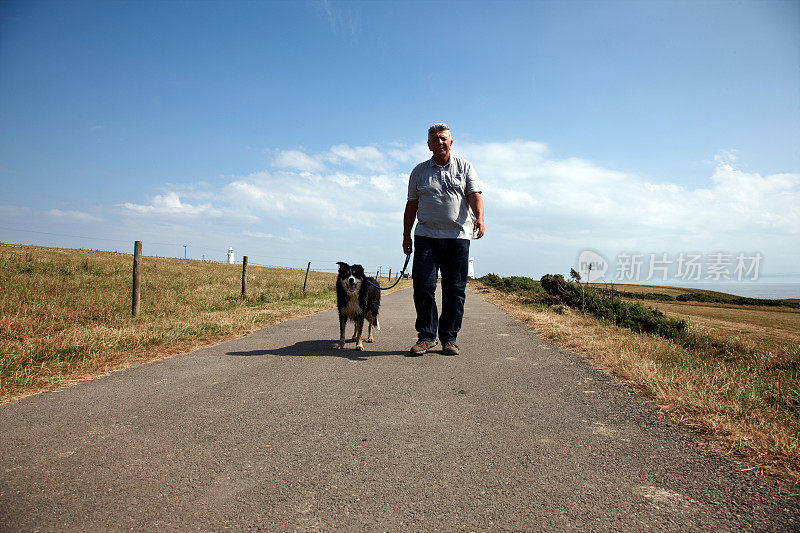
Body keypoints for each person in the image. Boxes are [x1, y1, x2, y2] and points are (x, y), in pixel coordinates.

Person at [403, 123, 484, 356]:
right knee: (423, 286)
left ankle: (449, 338)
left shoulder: (465, 167)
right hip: (426, 237)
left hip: (457, 237)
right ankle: (426, 337)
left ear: (451, 142)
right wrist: (406, 235)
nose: (440, 142)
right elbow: (411, 206)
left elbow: (474, 195)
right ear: (428, 145)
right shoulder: (418, 172)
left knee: (455, 289)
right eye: (435, 139)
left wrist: (479, 218)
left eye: (443, 138)